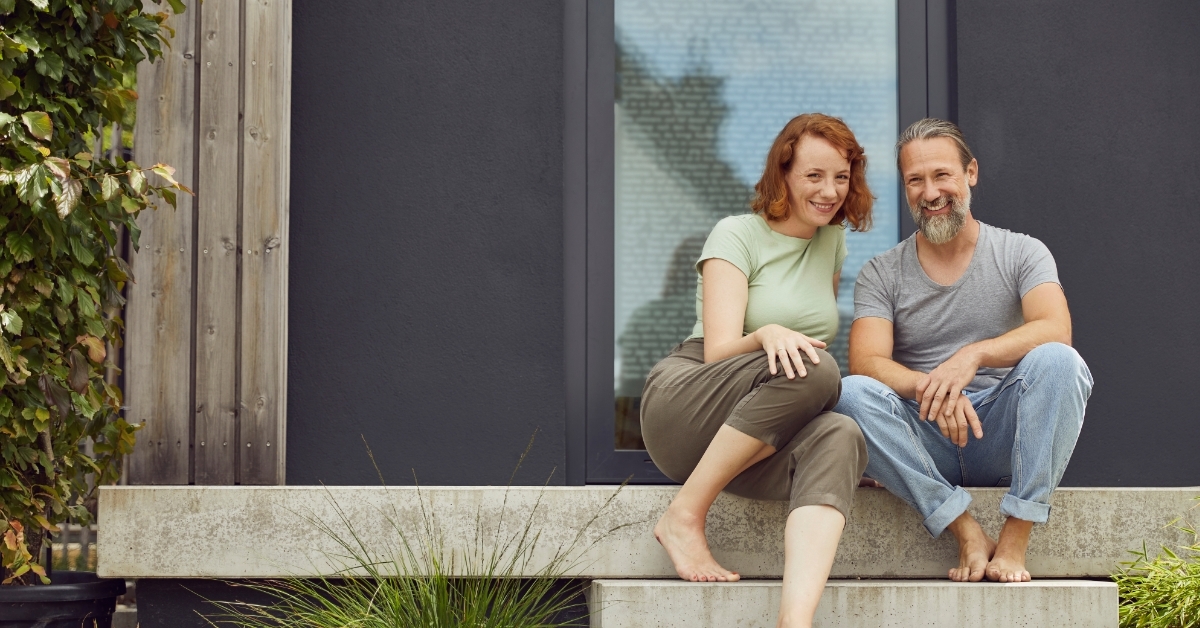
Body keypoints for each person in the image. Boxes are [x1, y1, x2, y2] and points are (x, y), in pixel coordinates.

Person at [835, 118, 1093, 583]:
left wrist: (971, 356)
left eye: (942, 175)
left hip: (998, 431)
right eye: (915, 180)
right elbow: (866, 363)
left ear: (970, 172)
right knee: (849, 393)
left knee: (1061, 361)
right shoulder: (881, 272)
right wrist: (933, 388)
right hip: (923, 435)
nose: (930, 192)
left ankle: (1015, 537)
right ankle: (965, 529)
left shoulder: (1022, 252)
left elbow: (1056, 329)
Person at [640, 113, 873, 628]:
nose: (830, 191)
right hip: (687, 401)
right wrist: (767, 332)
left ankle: (795, 620)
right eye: (814, 175)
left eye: (841, 176)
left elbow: (807, 350)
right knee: (818, 369)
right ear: (782, 174)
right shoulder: (736, 234)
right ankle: (684, 515)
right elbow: (719, 351)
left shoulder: (831, 242)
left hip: (746, 433)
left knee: (842, 435)